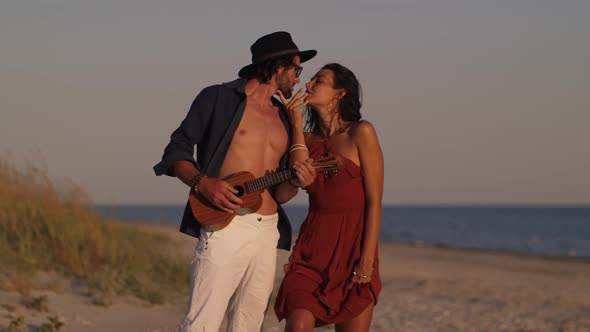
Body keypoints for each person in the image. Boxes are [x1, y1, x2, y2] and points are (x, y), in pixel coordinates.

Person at [153, 31, 317, 332]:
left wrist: (296, 182)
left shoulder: (284, 117)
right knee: (201, 323)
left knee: (249, 325)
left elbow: (280, 194)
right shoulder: (218, 97)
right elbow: (177, 149)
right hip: (227, 227)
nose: (298, 79)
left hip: (267, 232)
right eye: (296, 69)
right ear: (277, 66)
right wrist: (203, 183)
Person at [274, 63, 384, 332]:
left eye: (318, 80)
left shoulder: (362, 132)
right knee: (298, 324)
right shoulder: (306, 140)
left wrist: (366, 260)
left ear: (340, 93)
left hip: (353, 248)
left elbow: (374, 201)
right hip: (313, 248)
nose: (308, 85)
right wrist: (296, 125)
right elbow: (283, 193)